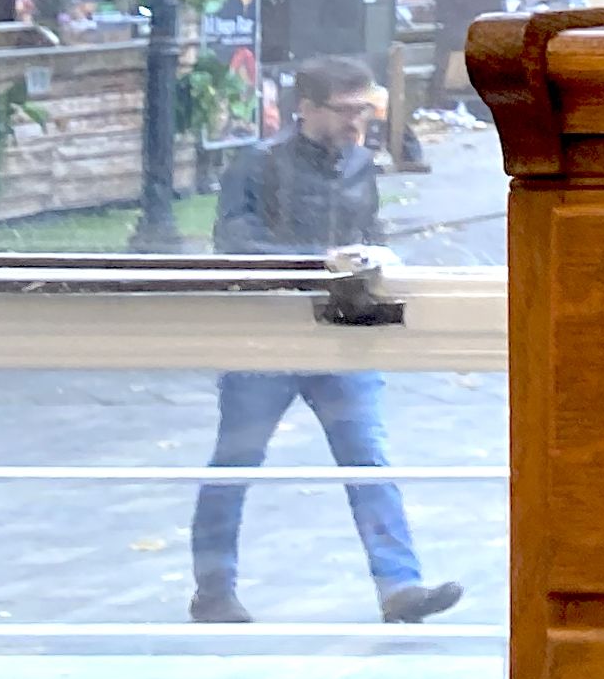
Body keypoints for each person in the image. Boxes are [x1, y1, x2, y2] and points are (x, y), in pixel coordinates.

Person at [190, 51, 461, 625]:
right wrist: (319, 262)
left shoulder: (362, 163)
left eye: (363, 109)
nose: (355, 122)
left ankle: (400, 586)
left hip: (342, 332)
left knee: (368, 459)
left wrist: (379, 260)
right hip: (266, 335)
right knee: (236, 460)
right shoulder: (257, 164)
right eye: (342, 111)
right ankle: (214, 588)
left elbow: (371, 232)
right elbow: (235, 243)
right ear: (305, 108)